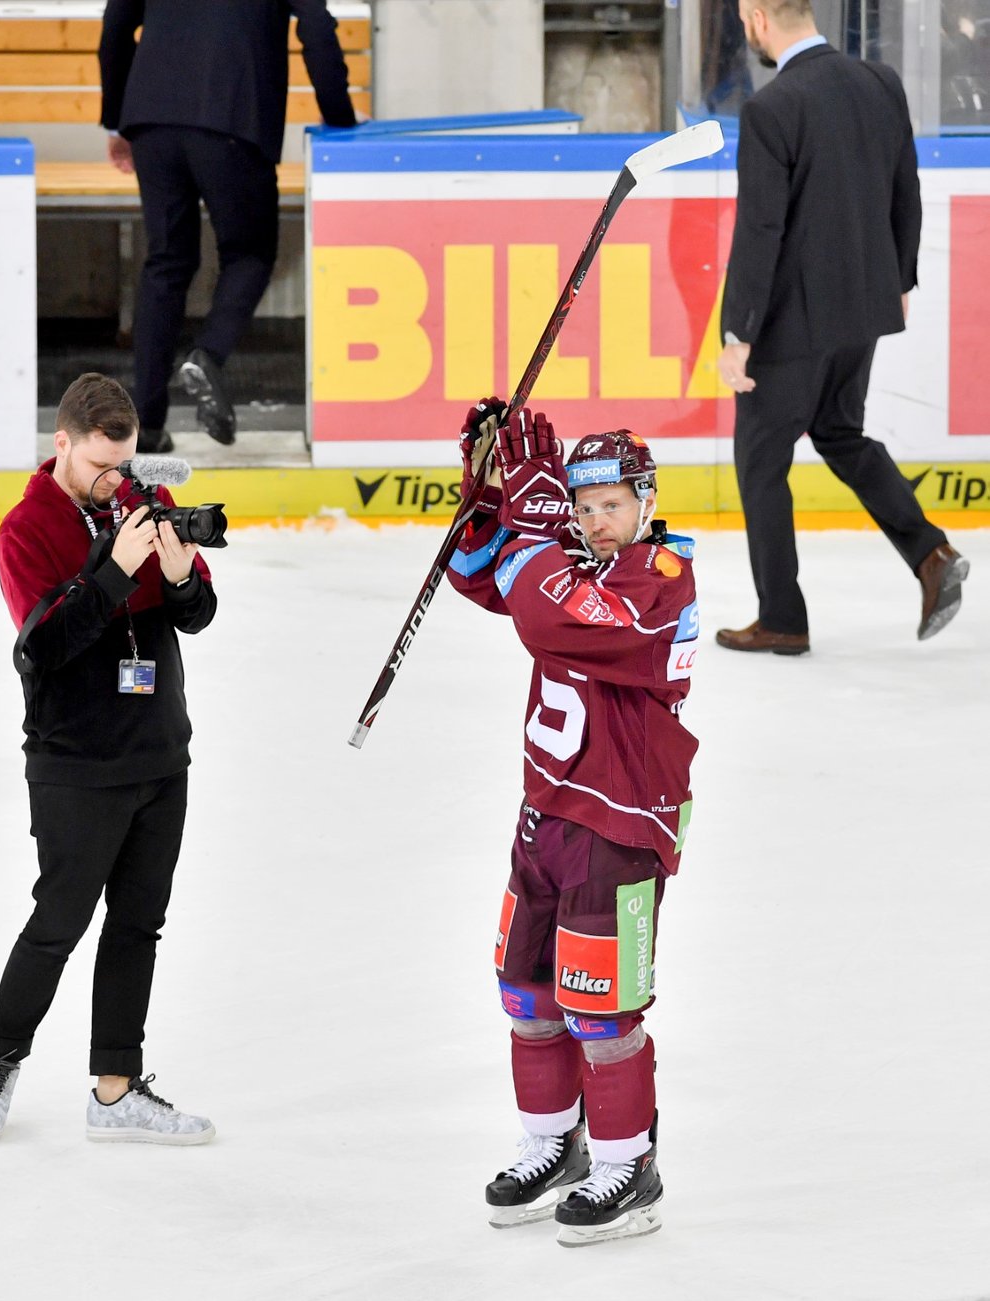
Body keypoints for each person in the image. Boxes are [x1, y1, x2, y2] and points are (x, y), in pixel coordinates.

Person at [447, 401, 699, 1248]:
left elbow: (547, 615)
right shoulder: (566, 558)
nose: (597, 520)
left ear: (646, 500)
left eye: (612, 504)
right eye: (582, 505)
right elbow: (482, 573)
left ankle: (628, 1163)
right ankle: (552, 1143)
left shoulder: (660, 574)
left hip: (621, 823)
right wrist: (491, 492)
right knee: (526, 994)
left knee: (603, 1011)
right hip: (546, 813)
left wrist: (535, 522)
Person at [0, 372, 218, 1145]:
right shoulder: (26, 528)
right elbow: (43, 647)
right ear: (62, 443)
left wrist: (174, 577)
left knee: (139, 923)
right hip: (75, 761)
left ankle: (115, 1089)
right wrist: (109, 574)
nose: (118, 481)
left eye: (127, 464)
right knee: (58, 922)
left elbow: (199, 614)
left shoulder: (144, 501)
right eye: (103, 466)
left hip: (158, 752)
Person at [716, 0, 969, 654]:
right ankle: (929, 552)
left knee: (760, 460)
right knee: (837, 431)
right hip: (864, 306)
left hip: (794, 321)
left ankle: (783, 618)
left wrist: (737, 333)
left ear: (758, 18)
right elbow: (904, 187)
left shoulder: (772, 108)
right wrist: (902, 280)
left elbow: (760, 230)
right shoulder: (879, 82)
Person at [99, 0, 358, 452]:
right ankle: (208, 354)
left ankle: (146, 429)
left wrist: (118, 118)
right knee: (250, 254)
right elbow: (316, 26)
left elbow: (116, 26)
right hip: (234, 117)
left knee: (166, 263)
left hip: (151, 116)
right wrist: (340, 118)